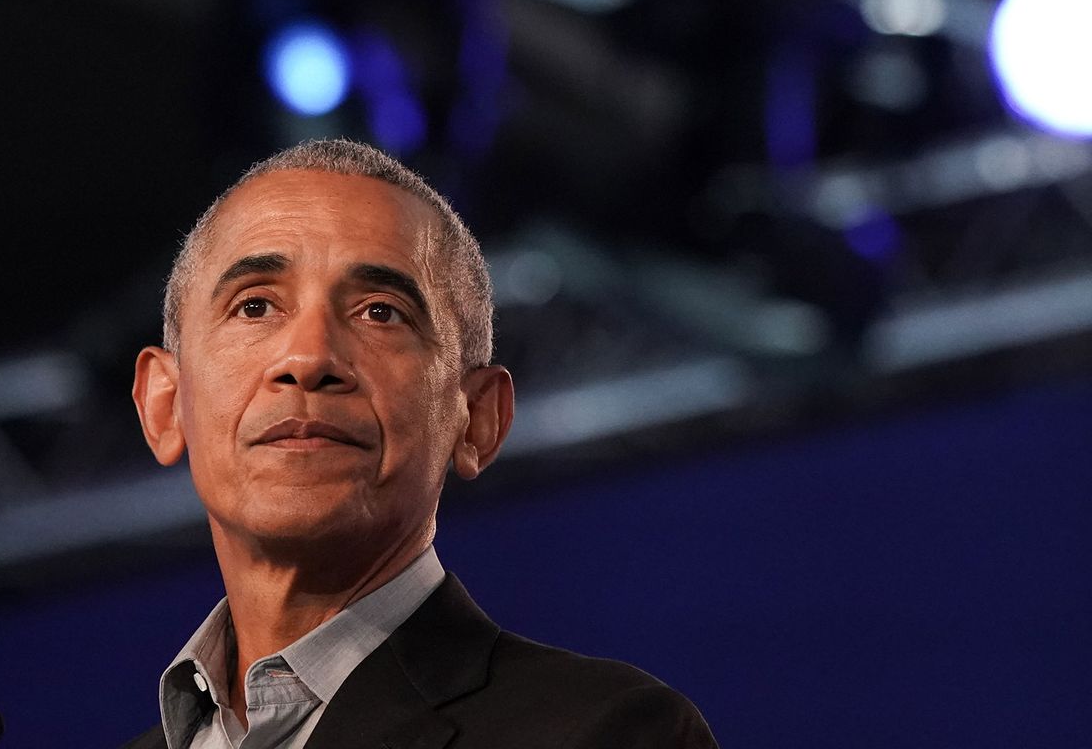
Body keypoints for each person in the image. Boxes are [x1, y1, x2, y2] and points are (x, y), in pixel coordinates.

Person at [125, 139, 718, 748]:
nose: (308, 358)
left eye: (380, 312)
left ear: (477, 419)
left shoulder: (607, 734)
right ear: (165, 404)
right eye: (254, 306)